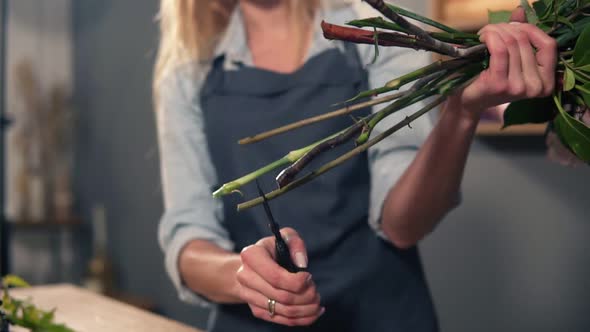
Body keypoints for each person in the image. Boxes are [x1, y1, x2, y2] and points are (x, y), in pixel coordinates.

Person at [154, 0, 556, 331]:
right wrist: (243, 276)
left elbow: (403, 226)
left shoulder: (373, 33)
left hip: (381, 314)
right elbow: (188, 237)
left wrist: (461, 114)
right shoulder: (189, 70)